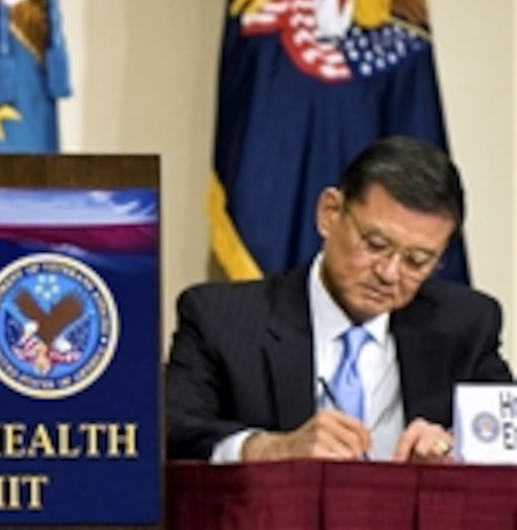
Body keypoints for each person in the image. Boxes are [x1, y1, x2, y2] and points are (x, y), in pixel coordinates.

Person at [166, 135, 513, 463]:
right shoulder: (222, 319)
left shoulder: (464, 324)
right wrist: (270, 448)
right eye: (376, 245)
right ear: (330, 213)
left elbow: (507, 433)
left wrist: (456, 446)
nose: (389, 273)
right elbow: (169, 428)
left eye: (417, 261)